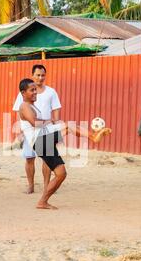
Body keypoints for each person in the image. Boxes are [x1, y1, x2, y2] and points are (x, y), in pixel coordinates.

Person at [18, 78, 111, 210]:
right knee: (69, 126)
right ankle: (93, 136)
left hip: (43, 139)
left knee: (61, 174)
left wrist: (50, 121)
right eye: (31, 90)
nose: (35, 92)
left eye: (35, 90)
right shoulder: (24, 106)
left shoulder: (32, 105)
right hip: (40, 139)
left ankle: (42, 202)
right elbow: (35, 123)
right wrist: (50, 121)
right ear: (23, 92)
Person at [13, 65, 62, 194]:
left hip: (46, 129)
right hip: (30, 131)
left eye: (43, 75)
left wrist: (56, 129)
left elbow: (56, 110)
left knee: (48, 159)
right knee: (29, 158)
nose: (40, 78)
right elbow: (18, 111)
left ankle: (47, 186)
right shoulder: (24, 92)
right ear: (32, 75)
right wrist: (19, 131)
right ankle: (31, 185)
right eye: (38, 75)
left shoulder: (51, 92)